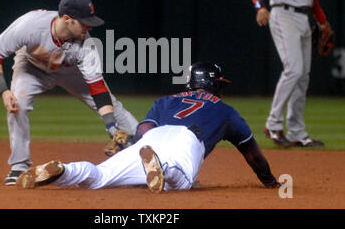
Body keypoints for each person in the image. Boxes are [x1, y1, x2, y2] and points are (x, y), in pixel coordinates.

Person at [15, 62, 280, 192]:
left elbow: (142, 131)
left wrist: (130, 145)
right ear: (215, 86)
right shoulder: (225, 111)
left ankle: (66, 170)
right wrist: (269, 181)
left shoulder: (166, 100)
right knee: (183, 181)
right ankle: (163, 168)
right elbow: (252, 154)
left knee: (98, 177)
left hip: (150, 140)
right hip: (185, 140)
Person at [0, 0, 139, 185]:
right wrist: (4, 91)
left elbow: (98, 89)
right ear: (66, 19)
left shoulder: (87, 46)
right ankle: (19, 166)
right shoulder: (30, 26)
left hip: (71, 71)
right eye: (84, 22)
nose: (89, 27)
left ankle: (150, 148)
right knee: (18, 102)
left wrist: (111, 126)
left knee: (113, 107)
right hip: (31, 67)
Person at [250, 0, 329, 148]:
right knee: (294, 70)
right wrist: (260, 7)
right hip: (282, 14)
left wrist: (322, 22)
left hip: (304, 17)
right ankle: (273, 125)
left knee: (303, 77)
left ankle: (296, 132)